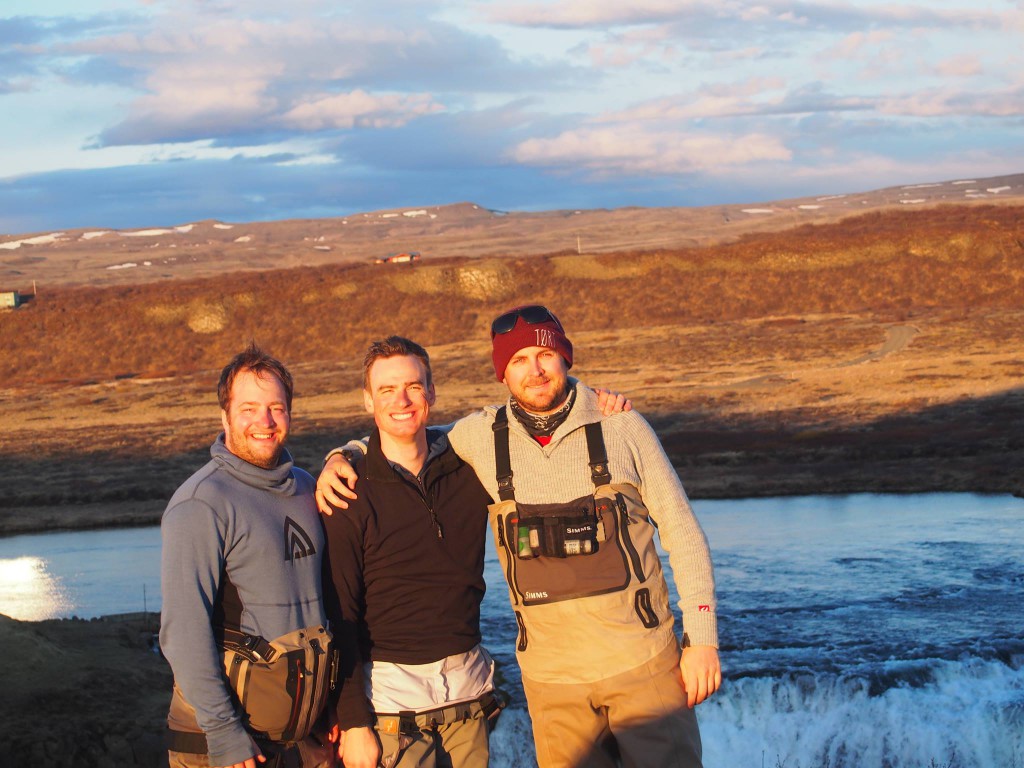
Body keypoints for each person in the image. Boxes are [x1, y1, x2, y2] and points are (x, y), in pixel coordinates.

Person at [319, 306, 720, 768]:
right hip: (552, 684)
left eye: (544, 355)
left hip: (644, 666)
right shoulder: (480, 437)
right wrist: (342, 453)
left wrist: (703, 638)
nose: (534, 371)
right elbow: (404, 434)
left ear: (565, 358)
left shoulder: (622, 425)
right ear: (502, 374)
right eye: (518, 360)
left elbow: (683, 532)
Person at [320, 336, 502, 768]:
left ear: (431, 392)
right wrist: (353, 723)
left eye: (413, 386)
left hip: (470, 705)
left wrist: (597, 402)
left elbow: (531, 418)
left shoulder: (469, 467)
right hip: (389, 714)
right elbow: (338, 613)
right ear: (368, 400)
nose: (401, 400)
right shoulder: (348, 489)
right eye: (386, 389)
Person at [160, 344, 335, 768]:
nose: (265, 421)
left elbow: (320, 609)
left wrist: (330, 708)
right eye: (249, 408)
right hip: (226, 745)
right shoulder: (200, 504)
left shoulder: (305, 487)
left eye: (276, 407)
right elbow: (182, 634)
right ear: (225, 417)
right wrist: (224, 733)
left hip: (300, 737)